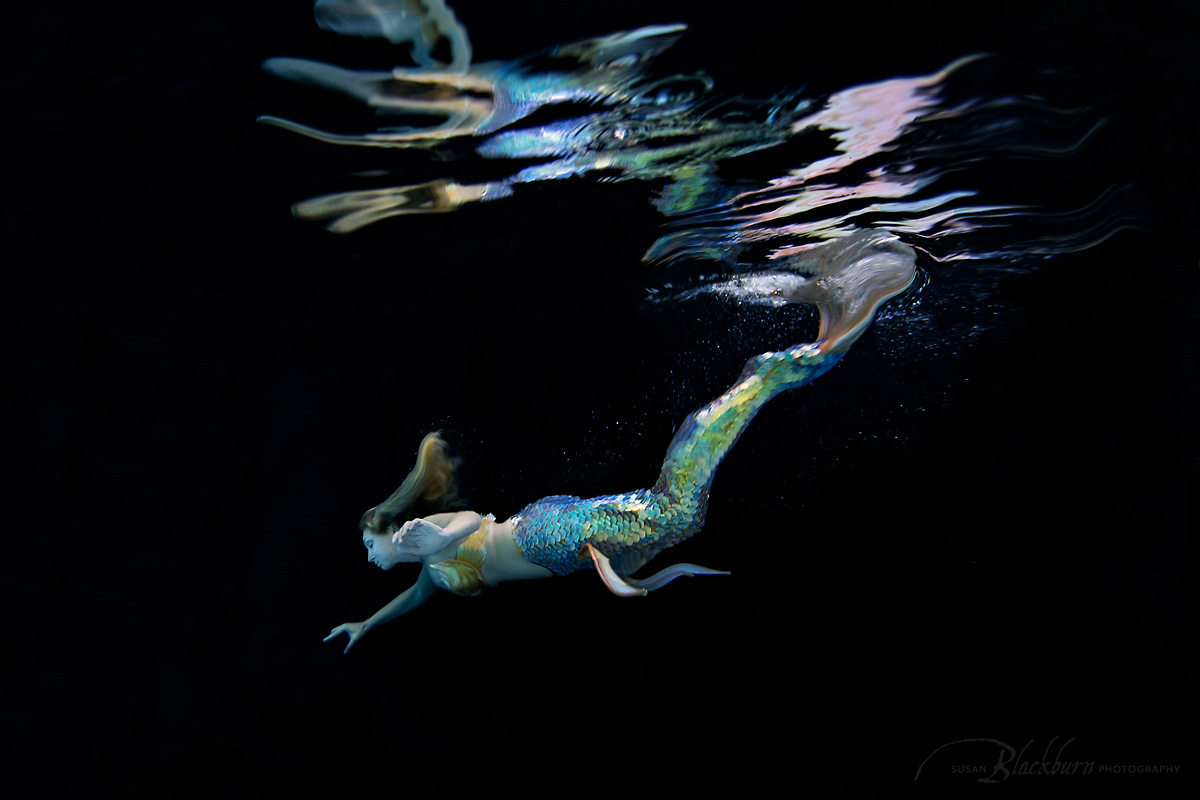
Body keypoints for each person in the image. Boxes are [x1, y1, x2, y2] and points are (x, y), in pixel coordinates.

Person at [326, 230, 916, 652]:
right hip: (561, 540)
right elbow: (412, 599)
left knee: (676, 499)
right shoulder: (428, 570)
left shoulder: (429, 540)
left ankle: (794, 361)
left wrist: (433, 536)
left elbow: (465, 524)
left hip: (549, 533)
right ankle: (806, 341)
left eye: (370, 546)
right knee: (676, 507)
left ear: (388, 534)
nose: (372, 558)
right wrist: (365, 625)